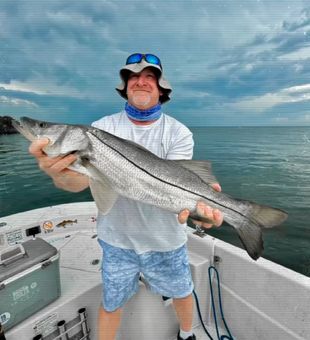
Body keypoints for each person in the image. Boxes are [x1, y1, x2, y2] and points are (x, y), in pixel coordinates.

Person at [29, 53, 223, 340]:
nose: (140, 82)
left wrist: (198, 210)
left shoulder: (178, 132)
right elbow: (78, 182)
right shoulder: (102, 127)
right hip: (117, 240)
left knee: (182, 292)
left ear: (161, 89)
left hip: (165, 240)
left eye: (149, 77)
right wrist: (58, 173)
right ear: (125, 86)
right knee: (112, 303)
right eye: (133, 77)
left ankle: (186, 334)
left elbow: (177, 187)